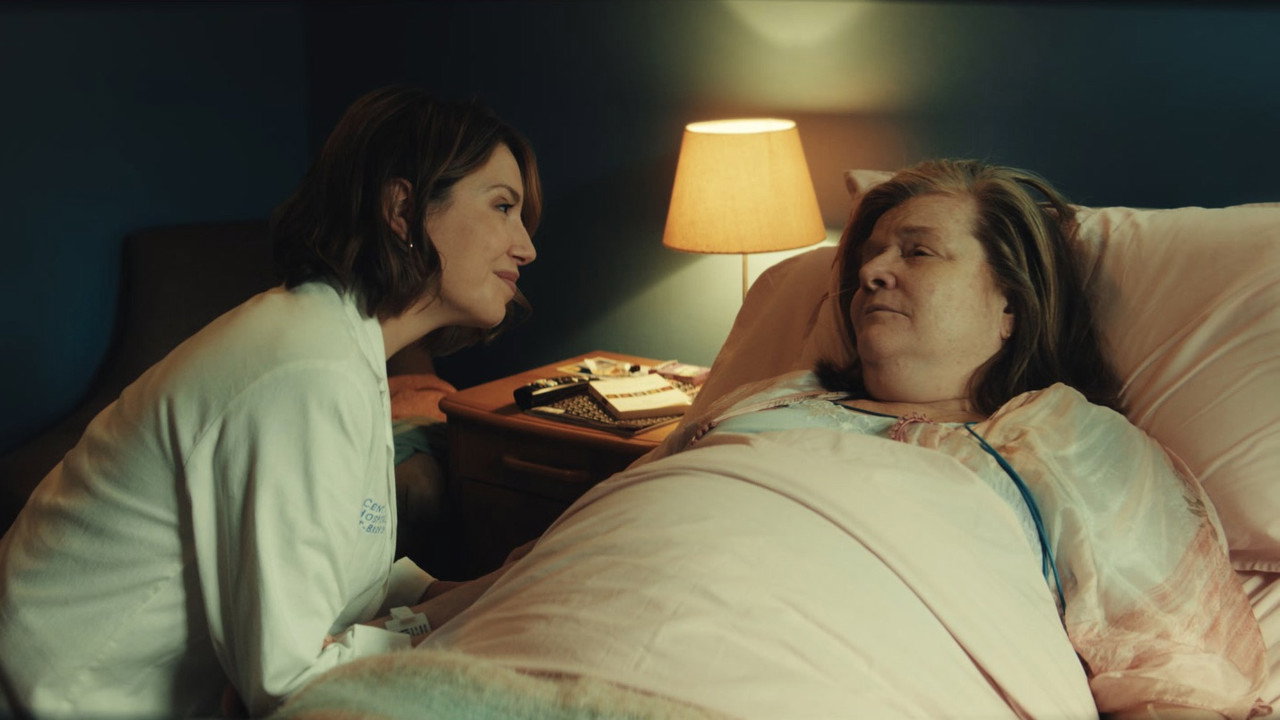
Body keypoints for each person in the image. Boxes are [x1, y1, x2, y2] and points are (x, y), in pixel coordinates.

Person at [289, 160, 1265, 720]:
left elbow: (1179, 673)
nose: (870, 272)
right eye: (867, 255)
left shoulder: (1068, 440)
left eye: (917, 251)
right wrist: (426, 613)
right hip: (497, 669)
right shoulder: (770, 401)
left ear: (1010, 303)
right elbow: (586, 536)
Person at [0, 85, 540, 719]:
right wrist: (461, 633)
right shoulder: (307, 368)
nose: (525, 246)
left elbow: (343, 576)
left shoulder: (342, 345)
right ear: (404, 208)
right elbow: (290, 684)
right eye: (502, 206)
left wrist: (486, 592)